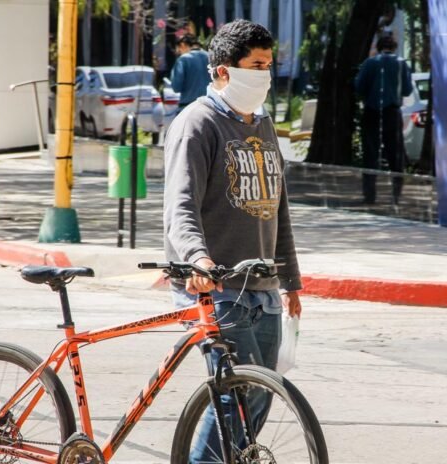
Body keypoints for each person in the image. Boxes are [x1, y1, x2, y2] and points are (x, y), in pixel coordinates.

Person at [163, 19, 302, 461]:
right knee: (237, 394)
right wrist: (197, 259)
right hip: (215, 285)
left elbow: (278, 206)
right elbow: (180, 205)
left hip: (262, 286)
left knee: (261, 393)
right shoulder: (197, 124)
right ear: (225, 70)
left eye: (269, 65)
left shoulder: (263, 126)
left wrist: (291, 280)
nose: (266, 75)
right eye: (257, 66)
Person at [355, 34, 413, 205]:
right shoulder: (401, 64)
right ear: (394, 47)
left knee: (370, 154)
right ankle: (396, 196)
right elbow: (407, 90)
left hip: (372, 112)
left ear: (379, 47)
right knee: (395, 155)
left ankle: (369, 195)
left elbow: (359, 87)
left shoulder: (370, 63)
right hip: (392, 113)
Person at [170, 33, 210, 112]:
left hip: (188, 107)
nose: (179, 52)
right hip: (209, 106)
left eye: (179, 49)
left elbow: (176, 87)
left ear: (183, 44)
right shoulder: (210, 57)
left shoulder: (183, 60)